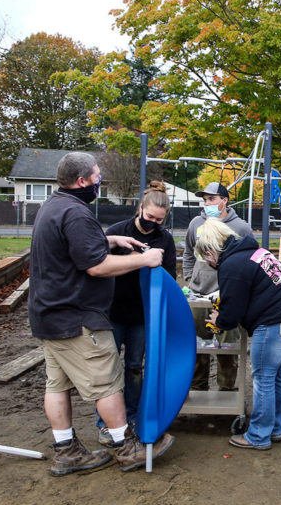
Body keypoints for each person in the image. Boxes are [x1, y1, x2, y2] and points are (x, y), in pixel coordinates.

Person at [28, 152, 174, 476]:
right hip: (76, 319)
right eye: (96, 175)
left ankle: (66, 451)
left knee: (57, 384)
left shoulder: (53, 206)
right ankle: (126, 447)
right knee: (107, 382)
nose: (99, 180)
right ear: (82, 181)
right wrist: (144, 260)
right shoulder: (77, 214)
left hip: (48, 315)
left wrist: (108, 239)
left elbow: (73, 248)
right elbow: (95, 266)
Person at [195, 220, 281, 450]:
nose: (209, 265)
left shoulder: (231, 265)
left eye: (206, 260)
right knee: (278, 374)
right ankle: (275, 428)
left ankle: (258, 435)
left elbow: (232, 311)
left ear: (210, 252)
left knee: (264, 378)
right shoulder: (255, 251)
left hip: (275, 321)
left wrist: (219, 320)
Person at [94, 181, 178, 447]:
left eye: (159, 219)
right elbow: (98, 267)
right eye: (150, 216)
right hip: (113, 312)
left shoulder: (164, 238)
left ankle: (131, 416)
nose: (153, 222)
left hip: (143, 316)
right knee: (108, 370)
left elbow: (170, 278)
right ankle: (105, 424)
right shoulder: (118, 232)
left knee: (134, 368)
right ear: (140, 208)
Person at [182, 181, 253, 391]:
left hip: (226, 296)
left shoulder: (240, 227)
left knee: (228, 348)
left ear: (224, 201)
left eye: (212, 199)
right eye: (204, 200)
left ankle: (227, 389)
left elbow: (249, 259)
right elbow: (188, 252)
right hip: (198, 294)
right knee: (197, 347)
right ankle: (198, 387)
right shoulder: (196, 223)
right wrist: (189, 277)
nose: (207, 203)